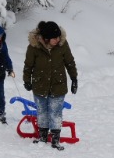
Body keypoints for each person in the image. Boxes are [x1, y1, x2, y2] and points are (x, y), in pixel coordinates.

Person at [22, 20, 77, 149]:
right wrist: (27, 80)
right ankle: (42, 136)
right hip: (40, 85)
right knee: (42, 112)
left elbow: (69, 62)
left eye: (58, 37)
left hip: (58, 85)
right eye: (54, 38)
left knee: (56, 113)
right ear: (46, 39)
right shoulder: (34, 46)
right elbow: (28, 65)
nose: (57, 40)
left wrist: (74, 78)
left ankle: (55, 140)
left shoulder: (62, 44)